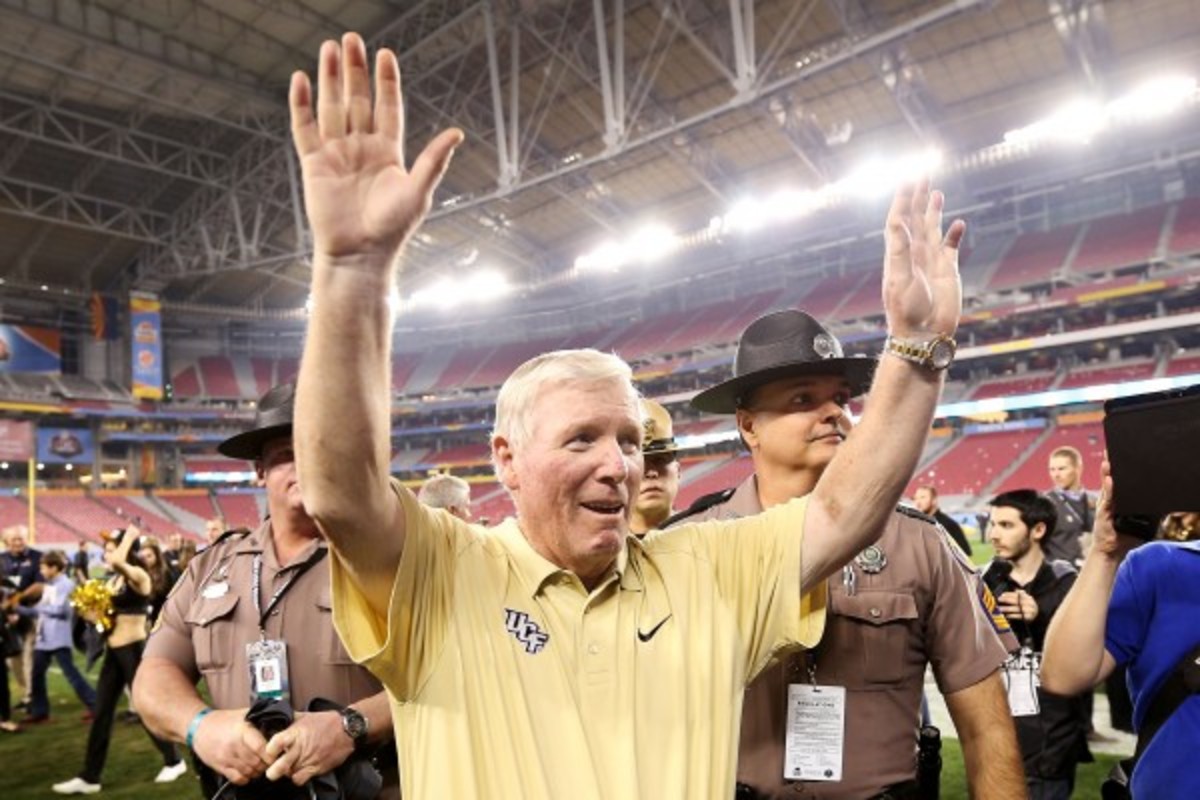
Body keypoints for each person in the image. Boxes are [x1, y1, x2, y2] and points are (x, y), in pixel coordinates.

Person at [290, 31, 966, 799]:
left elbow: (849, 507)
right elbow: (340, 492)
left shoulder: (708, 569)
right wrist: (352, 272)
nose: (618, 464)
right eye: (581, 438)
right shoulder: (443, 573)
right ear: (505, 459)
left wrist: (915, 350)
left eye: (628, 440)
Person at [671, 308, 1022, 799]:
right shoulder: (690, 549)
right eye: (803, 399)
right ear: (749, 426)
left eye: (840, 397)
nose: (834, 412)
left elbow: (987, 729)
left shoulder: (922, 543)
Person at [133, 384, 398, 799]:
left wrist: (352, 726)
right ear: (260, 469)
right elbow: (153, 676)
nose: (307, 465)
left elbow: (449, 678)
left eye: (321, 448)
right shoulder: (209, 566)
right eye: (287, 453)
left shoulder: (391, 562)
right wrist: (201, 725)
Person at [52, 527, 186, 795]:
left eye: (112, 548)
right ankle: (90, 777)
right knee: (102, 712)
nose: (107, 554)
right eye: (107, 549)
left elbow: (118, 562)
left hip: (134, 651)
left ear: (127, 550)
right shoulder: (114, 581)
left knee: (147, 708)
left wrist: (127, 537)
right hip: (114, 652)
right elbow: (106, 613)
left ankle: (174, 760)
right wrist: (92, 614)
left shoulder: (139, 576)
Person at [982, 491, 1090, 800]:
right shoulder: (986, 581)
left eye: (1005, 525)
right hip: (995, 738)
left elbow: (1084, 662)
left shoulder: (1067, 582)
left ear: (1038, 530)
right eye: (992, 524)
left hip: (1050, 743)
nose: (993, 535)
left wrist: (1040, 618)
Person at [14, 550, 97, 724]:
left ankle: (96, 706)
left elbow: (61, 611)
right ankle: (40, 712)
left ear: (54, 567)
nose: (42, 571)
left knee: (72, 675)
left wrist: (35, 609)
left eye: (44, 568)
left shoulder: (65, 585)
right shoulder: (50, 585)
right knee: (37, 675)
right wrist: (17, 608)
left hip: (58, 637)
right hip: (44, 638)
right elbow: (42, 611)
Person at [1, 525, 43, 711]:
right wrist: (8, 608)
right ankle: (26, 694)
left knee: (29, 655)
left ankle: (32, 697)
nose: (18, 542)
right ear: (6, 541)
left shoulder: (37, 557)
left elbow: (40, 585)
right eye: (14, 539)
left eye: (21, 538)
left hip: (31, 612)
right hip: (7, 615)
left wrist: (18, 599)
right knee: (12, 658)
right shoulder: (1, 559)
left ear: (27, 538)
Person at [629, 399, 684, 536]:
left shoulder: (706, 540)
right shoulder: (599, 550)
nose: (651, 473)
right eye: (639, 463)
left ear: (678, 471)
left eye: (660, 460)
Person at [1045, 446, 1094, 565]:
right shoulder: (1045, 503)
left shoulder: (1093, 501)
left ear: (1078, 468)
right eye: (1052, 469)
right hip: (1060, 577)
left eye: (1061, 469)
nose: (1055, 475)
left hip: (1090, 573)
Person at [913, 483, 971, 555]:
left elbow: (965, 553)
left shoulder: (948, 524)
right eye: (915, 498)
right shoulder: (916, 524)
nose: (918, 502)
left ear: (934, 500)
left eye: (923, 497)